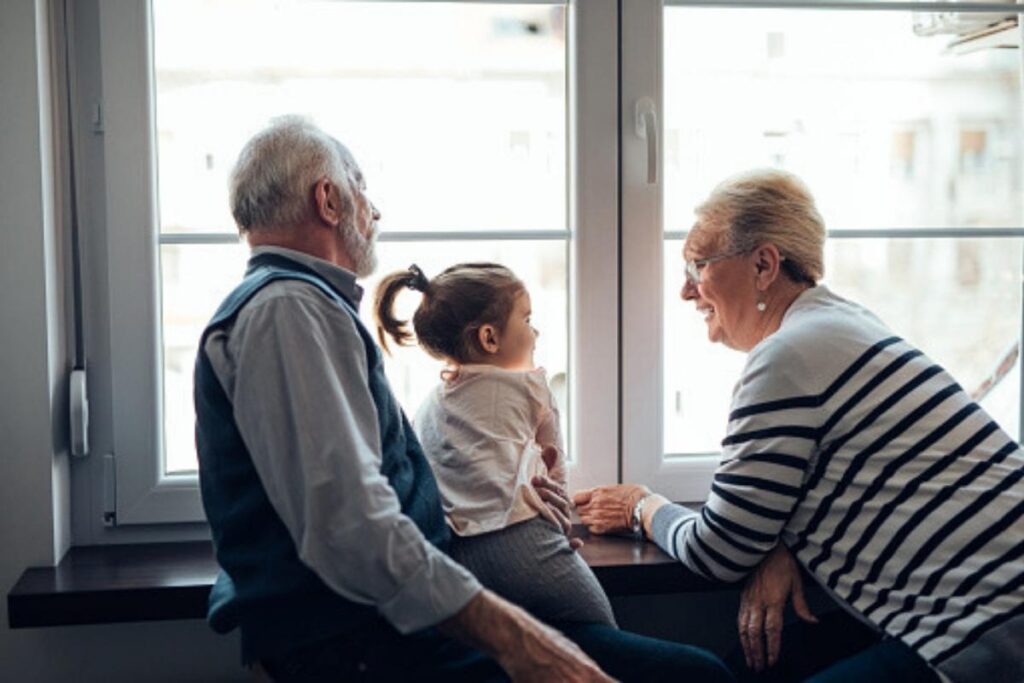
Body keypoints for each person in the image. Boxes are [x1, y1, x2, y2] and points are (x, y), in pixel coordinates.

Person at [194, 115, 734, 682]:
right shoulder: (288, 311)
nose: (373, 210)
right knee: (696, 677)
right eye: (360, 187)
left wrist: (513, 486)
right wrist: (522, 644)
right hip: (373, 648)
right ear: (327, 200)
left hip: (391, 634)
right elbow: (352, 529)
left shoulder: (298, 308)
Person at [574, 169, 1024, 683]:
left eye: (697, 264)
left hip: (984, 626)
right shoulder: (842, 323)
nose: (685, 290)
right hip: (985, 604)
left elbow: (719, 549)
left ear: (764, 265)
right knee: (758, 667)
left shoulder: (786, 356)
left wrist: (640, 506)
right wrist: (781, 542)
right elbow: (834, 478)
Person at [374, 262, 616, 627]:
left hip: (454, 554)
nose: (536, 331)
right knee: (599, 631)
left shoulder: (427, 408)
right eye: (527, 319)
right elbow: (555, 473)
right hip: (524, 542)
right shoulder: (532, 388)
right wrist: (560, 531)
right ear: (489, 337)